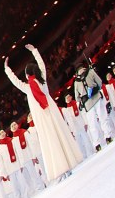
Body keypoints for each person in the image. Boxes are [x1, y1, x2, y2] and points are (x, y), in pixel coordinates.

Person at [7, 47, 83, 183]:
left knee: (49, 140)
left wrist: (7, 69)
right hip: (51, 110)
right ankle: (68, 163)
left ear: (27, 74)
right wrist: (34, 51)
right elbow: (41, 64)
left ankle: (60, 169)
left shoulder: (28, 87)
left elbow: (15, 81)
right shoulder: (42, 80)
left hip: (42, 116)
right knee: (59, 134)